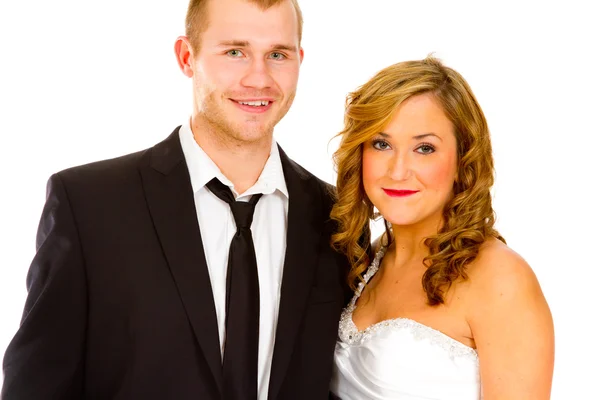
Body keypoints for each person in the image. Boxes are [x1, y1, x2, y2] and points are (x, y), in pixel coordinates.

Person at [1, 0, 350, 399]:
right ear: (188, 56)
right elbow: (35, 384)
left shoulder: (338, 216)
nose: (259, 78)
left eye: (278, 54)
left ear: (299, 61)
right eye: (235, 52)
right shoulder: (89, 205)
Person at [328, 57, 554, 399]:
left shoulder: (501, 278)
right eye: (381, 143)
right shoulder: (367, 259)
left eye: (424, 148)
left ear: (463, 161)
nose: (398, 170)